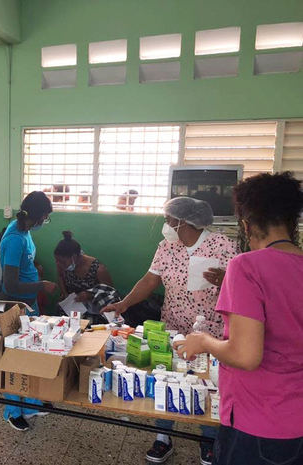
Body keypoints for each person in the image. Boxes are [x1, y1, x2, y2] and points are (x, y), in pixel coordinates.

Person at [173, 172, 303, 465]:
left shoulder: (246, 267)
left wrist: (204, 341)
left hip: (257, 423)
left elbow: (245, 356)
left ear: (247, 223)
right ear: (293, 221)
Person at [102, 196, 238, 465]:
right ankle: (162, 437)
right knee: (164, 376)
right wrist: (123, 303)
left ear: (183, 222)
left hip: (210, 329)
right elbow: (150, 280)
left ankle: (208, 440)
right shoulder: (166, 247)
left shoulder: (223, 245)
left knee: (207, 383)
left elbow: (242, 287)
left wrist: (226, 279)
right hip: (173, 324)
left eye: (168, 220)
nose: (165, 225)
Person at [0, 191, 57, 432]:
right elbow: (10, 285)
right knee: (15, 359)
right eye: (46, 217)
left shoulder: (24, 230)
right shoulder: (14, 239)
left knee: (32, 354)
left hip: (29, 305)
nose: (46, 222)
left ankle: (31, 403)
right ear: (39, 216)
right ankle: (12, 410)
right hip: (14, 306)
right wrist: (41, 285)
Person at [54, 231, 119, 322]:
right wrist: (65, 294)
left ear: (74, 256)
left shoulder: (98, 270)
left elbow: (110, 295)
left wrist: (89, 295)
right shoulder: (62, 264)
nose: (59, 264)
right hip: (71, 307)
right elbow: (60, 276)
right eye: (57, 261)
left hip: (94, 311)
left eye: (62, 262)